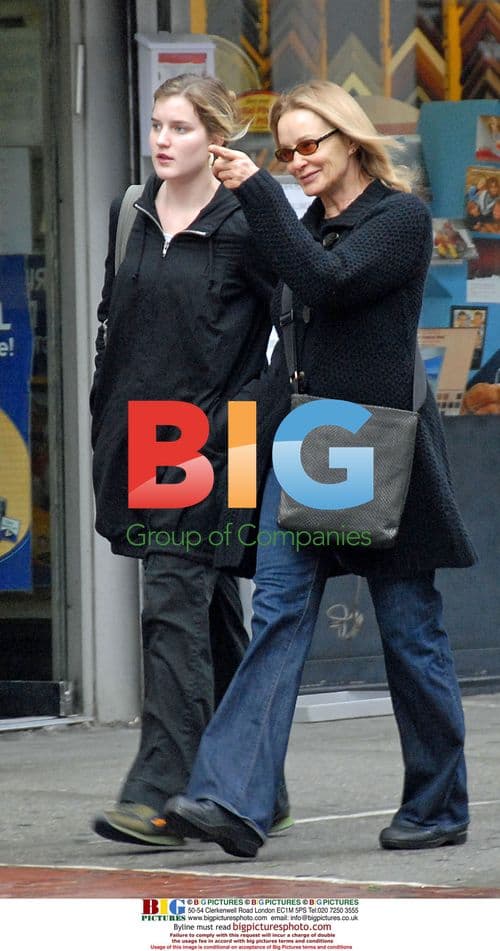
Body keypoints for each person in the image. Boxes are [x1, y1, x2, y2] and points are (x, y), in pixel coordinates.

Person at [163, 80, 477, 859]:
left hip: (376, 449)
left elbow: (327, 284)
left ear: (351, 141)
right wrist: (233, 451)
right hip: (306, 447)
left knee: (410, 633)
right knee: (276, 615)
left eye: (312, 144)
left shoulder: (397, 220)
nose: (299, 160)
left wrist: (259, 193)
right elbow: (288, 355)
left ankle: (438, 805)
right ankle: (234, 798)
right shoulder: (305, 225)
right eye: (287, 149)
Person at [89, 73, 292, 847]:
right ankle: (256, 784)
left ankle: (162, 790)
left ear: (218, 136)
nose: (163, 140)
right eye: (156, 125)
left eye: (180, 126)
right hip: (143, 438)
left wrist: (253, 418)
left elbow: (298, 324)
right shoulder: (127, 214)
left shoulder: (247, 222)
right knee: (206, 612)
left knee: (171, 599)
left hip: (218, 439)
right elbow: (119, 329)